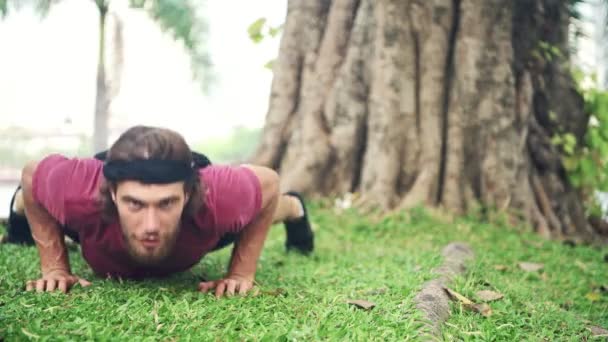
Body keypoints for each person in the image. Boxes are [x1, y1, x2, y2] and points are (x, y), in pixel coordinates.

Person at [14, 125, 314, 297]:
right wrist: (54, 267)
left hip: (198, 225)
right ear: (114, 193)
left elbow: (270, 183)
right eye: (136, 203)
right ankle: (17, 208)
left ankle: (294, 207)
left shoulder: (219, 196)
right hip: (97, 221)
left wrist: (241, 272)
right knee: (28, 202)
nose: (150, 225)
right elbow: (30, 174)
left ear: (186, 193)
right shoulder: (78, 191)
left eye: (166, 203)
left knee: (259, 209)